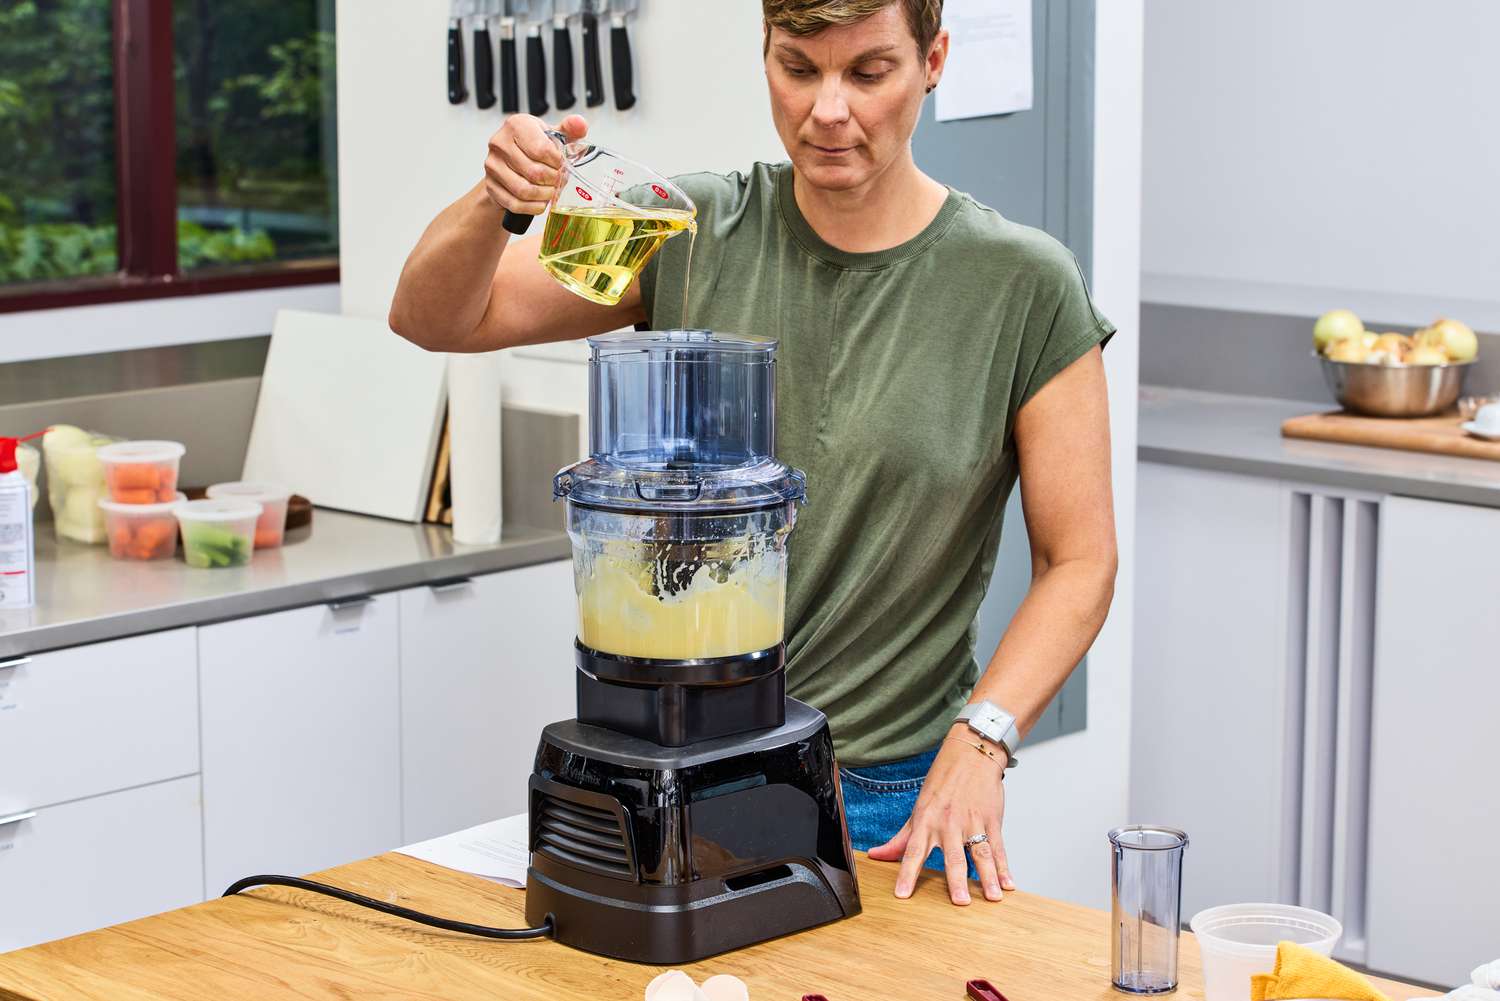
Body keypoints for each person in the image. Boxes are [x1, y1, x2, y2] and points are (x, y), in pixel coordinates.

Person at [389, 0, 1117, 908]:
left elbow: (1079, 560)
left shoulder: (1024, 283)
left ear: (933, 60)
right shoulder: (691, 229)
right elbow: (436, 317)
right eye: (799, 67)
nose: (829, 110)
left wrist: (983, 741)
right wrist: (495, 201)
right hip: (678, 773)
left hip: (890, 800)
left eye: (868, 72)